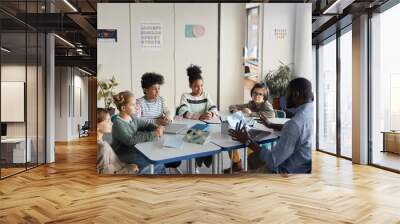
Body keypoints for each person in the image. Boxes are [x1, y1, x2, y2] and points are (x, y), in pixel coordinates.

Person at [229, 77, 314, 173]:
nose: (285, 97)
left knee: (242, 177)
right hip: (303, 166)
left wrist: (248, 141)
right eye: (255, 93)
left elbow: (273, 161)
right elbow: (298, 130)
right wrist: (272, 125)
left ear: (296, 94)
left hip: (286, 172)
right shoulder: (310, 114)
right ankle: (237, 165)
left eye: (287, 93)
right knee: (252, 158)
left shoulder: (294, 124)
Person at [111, 91, 165, 174]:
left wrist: (156, 128)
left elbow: (146, 124)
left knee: (158, 158)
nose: (136, 107)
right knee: (158, 162)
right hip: (124, 155)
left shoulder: (132, 117)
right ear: (123, 108)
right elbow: (130, 140)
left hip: (135, 150)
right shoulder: (118, 123)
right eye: (133, 105)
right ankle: (138, 173)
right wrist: (154, 134)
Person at [225, 82, 275, 173]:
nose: (257, 96)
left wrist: (251, 113)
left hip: (264, 134)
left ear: (264, 96)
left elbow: (271, 114)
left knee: (248, 142)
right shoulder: (251, 104)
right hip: (252, 131)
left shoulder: (266, 105)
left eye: (260, 94)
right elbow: (232, 106)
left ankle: (254, 168)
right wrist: (236, 112)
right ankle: (237, 164)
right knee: (232, 137)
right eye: (255, 93)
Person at [136, 72, 181, 173]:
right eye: (154, 89)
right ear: (145, 90)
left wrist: (168, 117)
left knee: (176, 148)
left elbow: (169, 111)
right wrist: (156, 121)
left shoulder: (161, 100)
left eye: (159, 88)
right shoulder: (139, 102)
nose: (157, 92)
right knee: (158, 153)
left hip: (163, 131)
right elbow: (137, 120)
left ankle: (166, 166)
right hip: (148, 134)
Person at [177, 64, 218, 172]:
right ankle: (196, 163)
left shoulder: (205, 95)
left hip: (205, 126)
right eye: (196, 86)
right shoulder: (185, 96)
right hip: (190, 128)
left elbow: (214, 108)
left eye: (201, 85)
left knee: (213, 140)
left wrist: (211, 113)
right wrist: (199, 115)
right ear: (190, 86)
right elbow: (183, 112)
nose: (199, 88)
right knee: (202, 139)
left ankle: (202, 163)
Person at [97, 108, 138, 174]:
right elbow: (106, 174)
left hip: (121, 166)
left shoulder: (101, 144)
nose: (111, 123)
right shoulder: (102, 146)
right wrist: (128, 169)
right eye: (107, 121)